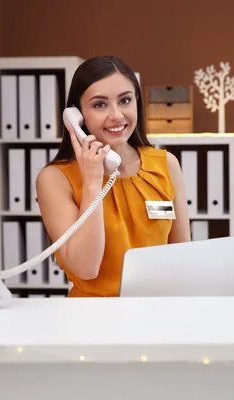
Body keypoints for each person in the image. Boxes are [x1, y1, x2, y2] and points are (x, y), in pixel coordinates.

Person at [36, 55, 191, 297]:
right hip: (93, 320)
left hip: (158, 314)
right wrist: (92, 181)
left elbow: (182, 260)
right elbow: (86, 268)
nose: (117, 115)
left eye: (125, 100)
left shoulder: (166, 165)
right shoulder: (55, 179)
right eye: (100, 105)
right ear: (77, 115)